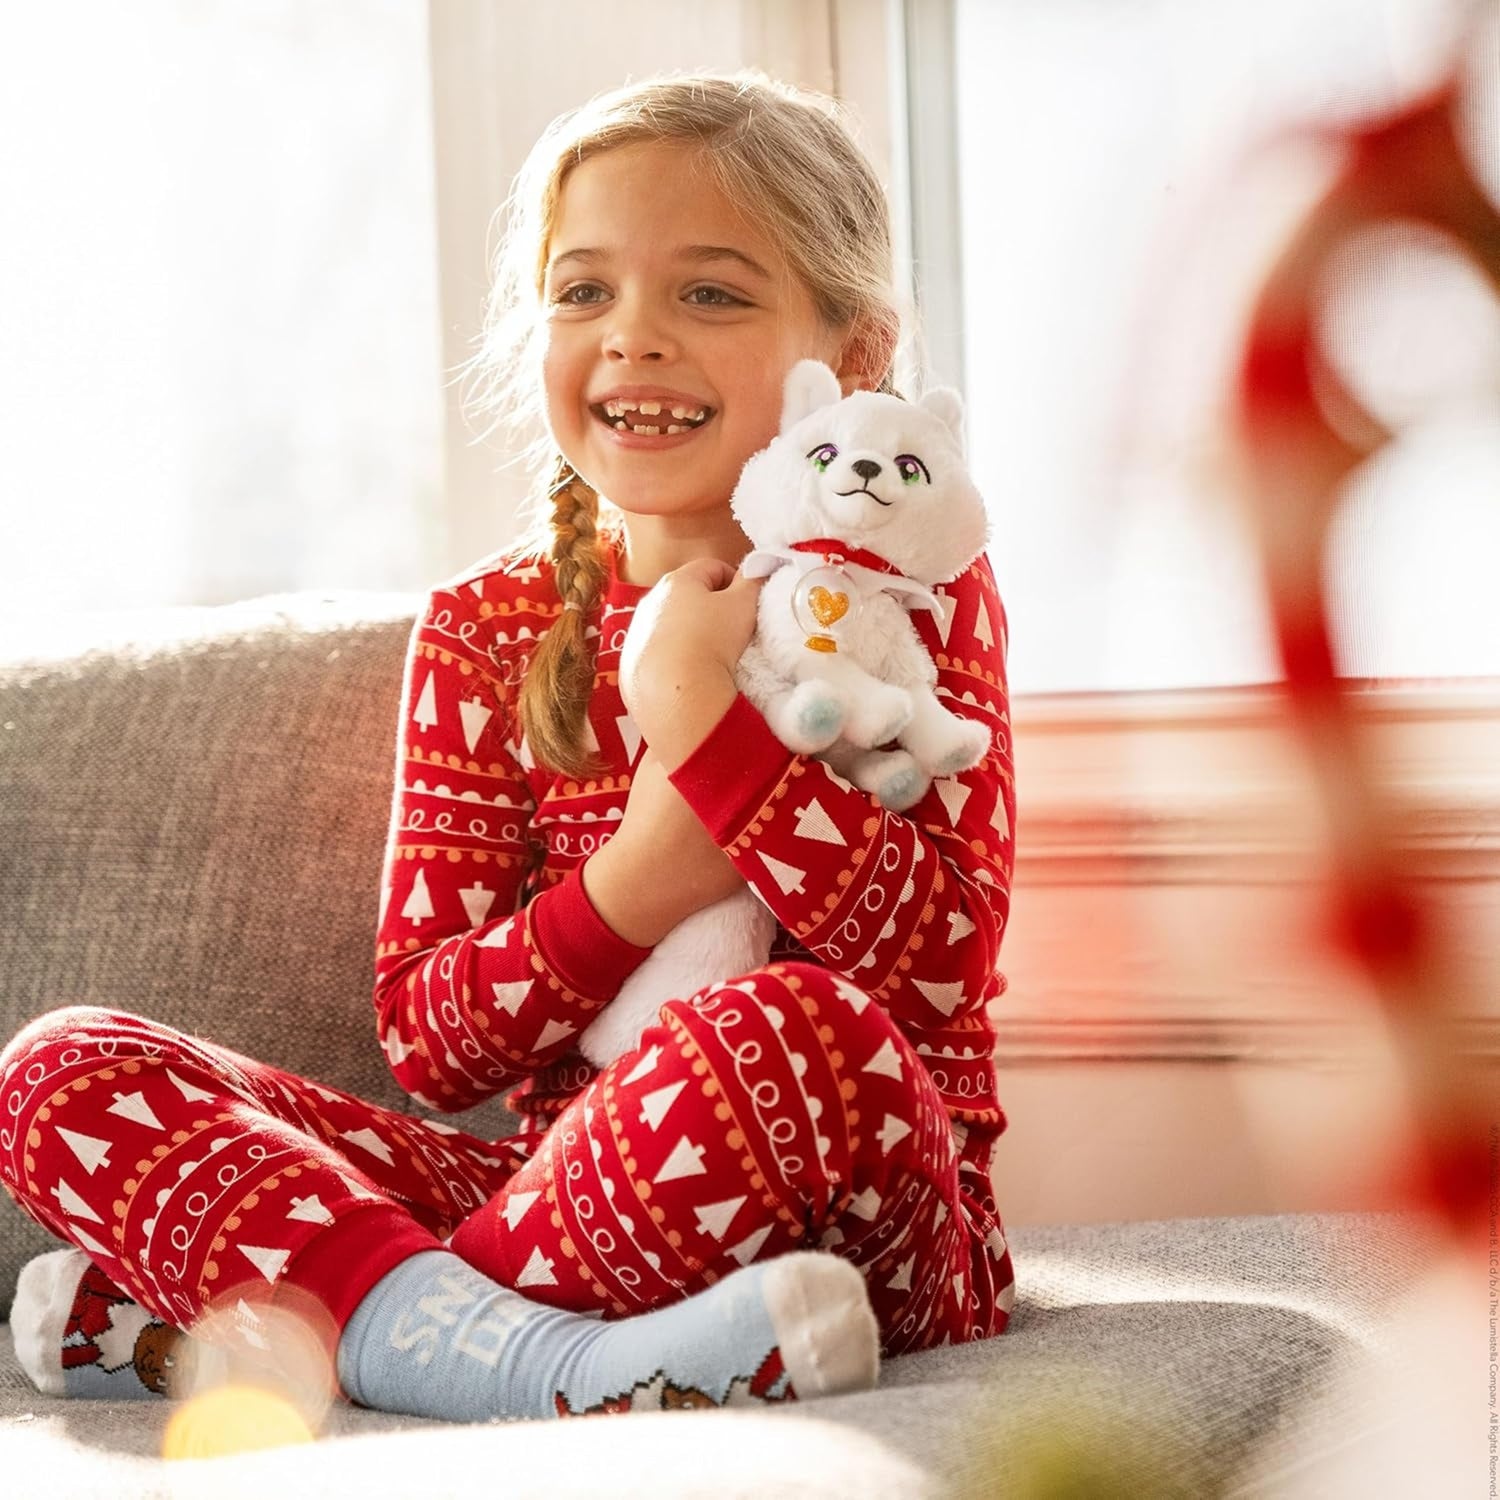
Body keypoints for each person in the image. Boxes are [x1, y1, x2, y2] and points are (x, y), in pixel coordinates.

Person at [0, 70, 1016, 1424]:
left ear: (860, 354)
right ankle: (540, 1362)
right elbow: (431, 1042)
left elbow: (937, 963)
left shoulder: (918, 598)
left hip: (868, 1218)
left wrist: (702, 724)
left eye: (710, 294)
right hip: (547, 1195)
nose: (634, 339)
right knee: (58, 1068)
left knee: (786, 1028)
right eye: (584, 292)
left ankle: (345, 1336)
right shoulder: (492, 625)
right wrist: (639, 882)